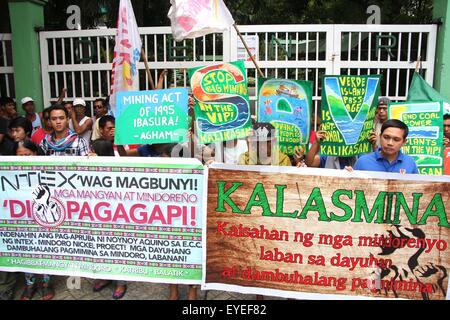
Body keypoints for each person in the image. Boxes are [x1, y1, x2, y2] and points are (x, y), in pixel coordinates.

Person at [13, 139, 53, 300]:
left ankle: (45, 284)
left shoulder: (46, 170)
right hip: (22, 218)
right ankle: (30, 285)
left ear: (35, 153)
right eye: (19, 156)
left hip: (42, 219)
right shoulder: (7, 173)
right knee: (26, 250)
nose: (24, 159)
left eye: (27, 155)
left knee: (45, 249)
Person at [352, 119, 418, 174]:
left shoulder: (410, 163)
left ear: (404, 142)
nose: (390, 143)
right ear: (380, 136)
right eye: (386, 137)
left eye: (396, 139)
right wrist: (347, 175)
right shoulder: (363, 162)